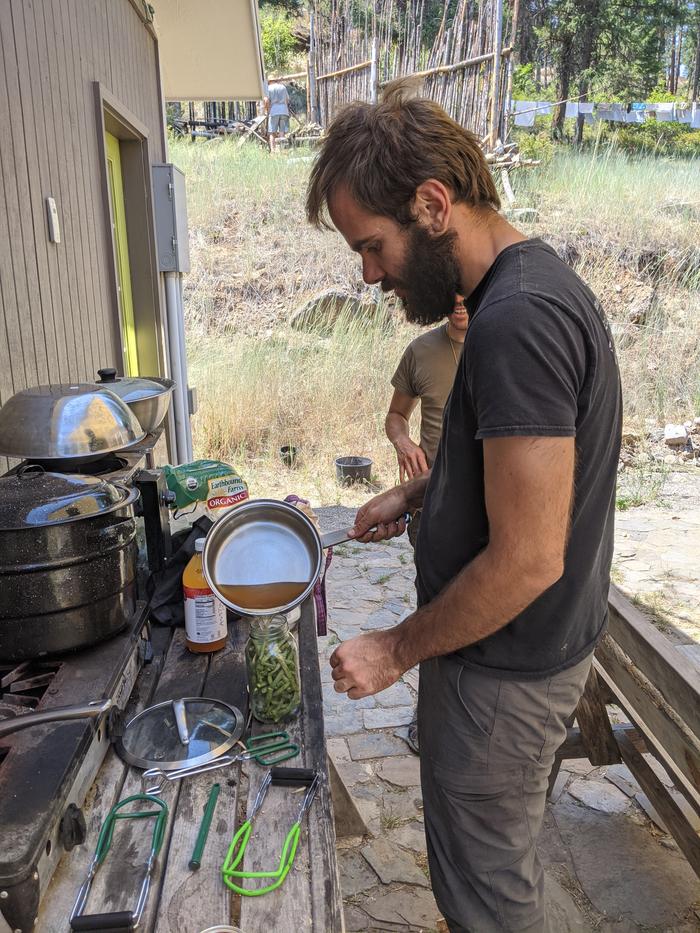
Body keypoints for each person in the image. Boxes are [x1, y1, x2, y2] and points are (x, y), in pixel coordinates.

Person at [306, 83, 622, 933]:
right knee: (496, 869)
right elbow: (527, 473)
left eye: (372, 247)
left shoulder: (516, 320)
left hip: (505, 676)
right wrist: (419, 490)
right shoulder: (529, 286)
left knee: (488, 900)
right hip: (519, 659)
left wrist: (394, 649)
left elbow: (528, 556)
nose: (369, 275)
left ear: (433, 204)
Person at [386, 294, 468, 753]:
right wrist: (402, 442)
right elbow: (396, 416)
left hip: (484, 501)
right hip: (428, 500)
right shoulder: (421, 351)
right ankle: (430, 719)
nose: (458, 304)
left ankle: (466, 719)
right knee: (434, 608)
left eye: (465, 296)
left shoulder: (500, 341)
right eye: (450, 297)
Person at [264, 78, 290, 152]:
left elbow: (266, 100)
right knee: (282, 132)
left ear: (270, 81)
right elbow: (287, 100)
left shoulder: (269, 88)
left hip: (274, 111)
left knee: (272, 132)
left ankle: (273, 151)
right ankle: (282, 150)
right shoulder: (283, 87)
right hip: (284, 110)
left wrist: (267, 109)